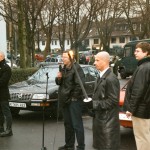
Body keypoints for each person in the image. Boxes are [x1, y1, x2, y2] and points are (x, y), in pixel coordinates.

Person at [55, 50, 85, 150]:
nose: (63, 59)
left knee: (77, 125)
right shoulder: (64, 68)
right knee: (68, 124)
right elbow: (60, 84)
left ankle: (81, 147)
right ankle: (69, 145)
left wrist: (73, 98)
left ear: (71, 58)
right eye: (62, 57)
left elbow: (79, 85)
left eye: (65, 57)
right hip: (65, 100)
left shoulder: (77, 68)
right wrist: (58, 78)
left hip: (74, 100)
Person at [124, 42, 150, 150]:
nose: (135, 53)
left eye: (138, 51)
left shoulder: (143, 68)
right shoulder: (146, 66)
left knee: (141, 138)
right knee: (146, 137)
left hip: (140, 110)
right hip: (145, 109)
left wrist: (131, 109)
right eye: (135, 50)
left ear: (146, 52)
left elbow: (138, 90)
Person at [92, 51, 120, 150]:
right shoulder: (100, 76)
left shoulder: (111, 78)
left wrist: (94, 104)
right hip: (101, 121)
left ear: (105, 61)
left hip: (107, 123)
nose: (94, 63)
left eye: (97, 60)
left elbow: (113, 101)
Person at [0, 51, 13, 137]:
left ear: (1, 57)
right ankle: (1, 128)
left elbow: (3, 82)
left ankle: (9, 130)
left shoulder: (6, 68)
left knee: (6, 112)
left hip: (3, 94)